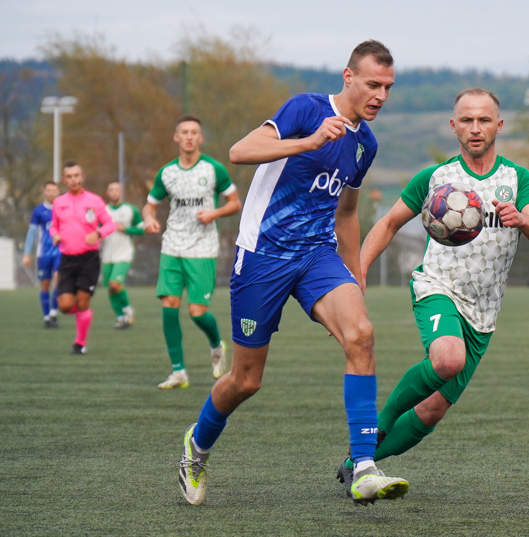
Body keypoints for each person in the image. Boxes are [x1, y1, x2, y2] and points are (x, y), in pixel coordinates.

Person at [176, 40, 409, 507]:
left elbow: (346, 212)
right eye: (372, 84)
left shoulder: (366, 143)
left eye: (387, 86)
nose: (380, 95)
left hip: (317, 257)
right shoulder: (306, 109)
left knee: (361, 334)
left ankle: (363, 466)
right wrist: (310, 140)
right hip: (262, 257)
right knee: (245, 380)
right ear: (348, 78)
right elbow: (240, 151)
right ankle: (196, 449)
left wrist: (355, 276)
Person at [343, 88, 529, 491]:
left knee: (434, 409)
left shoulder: (518, 180)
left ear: (499, 125)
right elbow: (387, 224)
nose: (476, 129)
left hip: (484, 311)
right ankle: (368, 442)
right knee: (447, 359)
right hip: (437, 286)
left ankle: (358, 463)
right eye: (467, 120)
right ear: (454, 125)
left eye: (484, 120)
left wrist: (524, 221)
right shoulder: (436, 178)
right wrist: (360, 270)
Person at [142, 116, 242, 389]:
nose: (188, 136)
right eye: (183, 132)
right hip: (172, 246)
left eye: (194, 132)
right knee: (169, 307)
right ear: (176, 137)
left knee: (197, 312)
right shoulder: (166, 173)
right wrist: (149, 218)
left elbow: (235, 203)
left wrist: (214, 213)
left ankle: (216, 344)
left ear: (200, 139)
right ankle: (178, 372)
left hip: (203, 249)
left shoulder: (214, 169)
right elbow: (149, 206)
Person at [49, 162, 117, 354]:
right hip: (67, 259)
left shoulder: (94, 201)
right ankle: (83, 312)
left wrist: (98, 234)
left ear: (82, 176)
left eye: (76, 175)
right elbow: (54, 226)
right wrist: (54, 235)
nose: (73, 180)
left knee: (83, 301)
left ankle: (79, 343)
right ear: (64, 180)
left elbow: (110, 224)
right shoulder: (59, 202)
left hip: (89, 259)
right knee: (65, 306)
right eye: (69, 176)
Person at [102, 182, 144, 329]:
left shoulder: (130, 209)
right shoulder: (103, 210)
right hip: (107, 254)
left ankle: (127, 309)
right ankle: (121, 317)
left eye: (117, 190)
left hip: (124, 253)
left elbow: (142, 229)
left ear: (122, 192)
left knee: (115, 283)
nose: (114, 192)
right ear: (107, 193)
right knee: (111, 288)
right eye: (111, 190)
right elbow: (96, 229)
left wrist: (126, 229)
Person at [22, 181, 62, 328]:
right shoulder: (38, 211)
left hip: (60, 251)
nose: (51, 193)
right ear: (44, 192)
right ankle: (46, 317)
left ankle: (53, 313)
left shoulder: (63, 208)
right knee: (45, 284)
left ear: (58, 191)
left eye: (54, 190)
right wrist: (27, 253)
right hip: (43, 253)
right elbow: (32, 233)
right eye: (49, 190)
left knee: (59, 279)